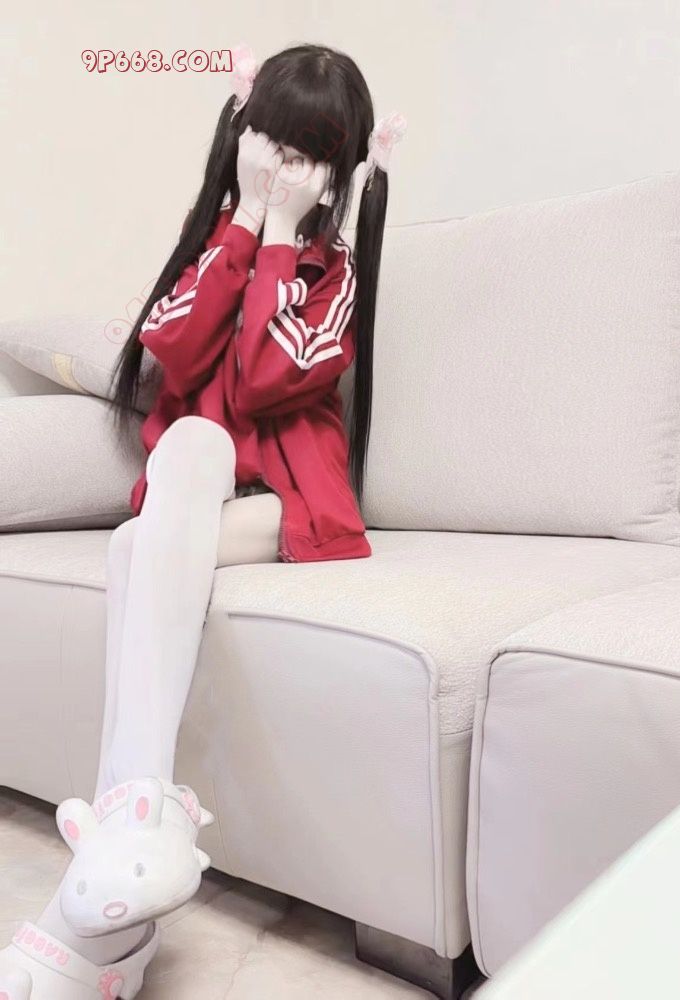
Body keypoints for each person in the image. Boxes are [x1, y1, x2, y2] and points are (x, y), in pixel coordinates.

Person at [0, 41, 406, 999]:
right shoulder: (210, 245)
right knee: (164, 482)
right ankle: (134, 845)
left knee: (161, 508)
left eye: (308, 153)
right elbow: (175, 356)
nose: (281, 164)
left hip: (287, 509)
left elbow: (264, 379)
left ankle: (116, 855)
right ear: (240, 133)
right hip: (200, 492)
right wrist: (245, 226)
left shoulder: (333, 275)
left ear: (339, 174)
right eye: (270, 139)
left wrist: (280, 237)